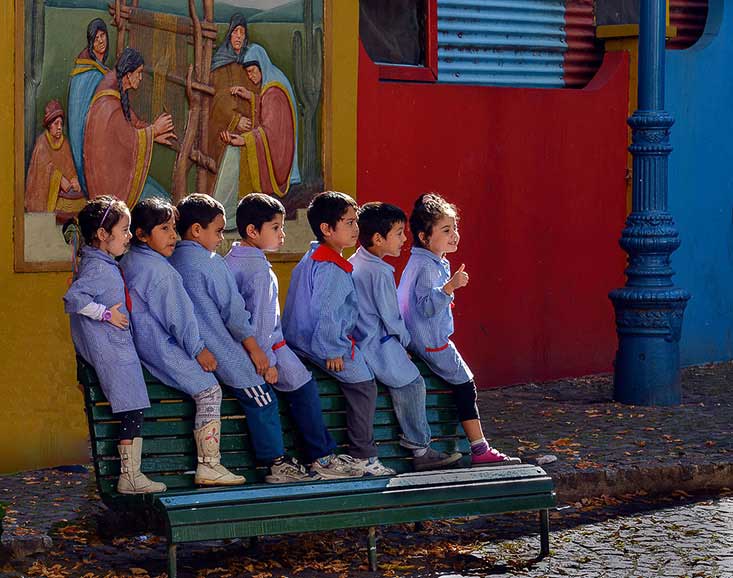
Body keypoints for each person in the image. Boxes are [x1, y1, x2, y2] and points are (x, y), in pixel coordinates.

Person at [169, 194, 312, 483]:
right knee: (262, 398)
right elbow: (235, 315)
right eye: (218, 231)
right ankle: (275, 463)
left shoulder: (172, 259)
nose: (222, 239)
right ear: (197, 230)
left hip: (190, 351)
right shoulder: (211, 263)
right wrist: (256, 351)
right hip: (224, 350)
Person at [225, 193, 362, 479]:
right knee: (304, 389)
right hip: (267, 349)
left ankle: (318, 457)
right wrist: (269, 362)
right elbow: (262, 323)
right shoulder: (260, 270)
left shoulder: (233, 259)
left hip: (254, 347)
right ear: (252, 231)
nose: (282, 235)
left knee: (300, 387)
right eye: (275, 228)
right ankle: (320, 458)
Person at [120, 198, 244, 486]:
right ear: (141, 234)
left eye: (173, 228)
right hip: (161, 346)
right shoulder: (162, 273)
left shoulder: (130, 260)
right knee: (210, 390)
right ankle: (209, 465)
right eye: (164, 229)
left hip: (141, 344)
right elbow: (180, 318)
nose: (173, 236)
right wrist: (198, 349)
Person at [397, 194, 519, 466]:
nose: (454, 235)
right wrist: (449, 288)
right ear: (424, 236)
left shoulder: (429, 261)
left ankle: (477, 447)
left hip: (420, 339)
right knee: (466, 385)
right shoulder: (428, 267)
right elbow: (426, 308)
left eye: (455, 228)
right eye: (446, 230)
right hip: (431, 342)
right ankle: (479, 448)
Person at [282, 191, 394, 477]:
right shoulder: (331, 268)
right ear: (326, 229)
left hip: (301, 337)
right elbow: (326, 312)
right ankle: (362, 455)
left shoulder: (314, 255)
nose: (356, 228)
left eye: (356, 221)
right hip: (321, 341)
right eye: (348, 222)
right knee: (364, 384)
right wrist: (333, 349)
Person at [63, 196, 166, 494]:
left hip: (117, 350)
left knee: (133, 410)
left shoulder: (103, 263)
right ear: (102, 235)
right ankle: (129, 476)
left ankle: (130, 475)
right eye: (124, 230)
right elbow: (73, 299)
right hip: (112, 353)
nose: (129, 236)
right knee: (132, 410)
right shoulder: (97, 268)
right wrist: (106, 314)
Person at [350, 202, 463, 471]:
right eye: (399, 233)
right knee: (413, 383)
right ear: (378, 239)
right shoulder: (380, 273)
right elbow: (392, 319)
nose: (404, 239)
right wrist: (406, 342)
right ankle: (420, 449)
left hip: (364, 337)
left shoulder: (358, 261)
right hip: (377, 342)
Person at [84, 48, 175, 207]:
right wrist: (153, 131)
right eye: (139, 73)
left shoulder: (117, 91)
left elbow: (134, 123)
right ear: (128, 74)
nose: (140, 78)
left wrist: (153, 134)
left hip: (118, 172)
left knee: (163, 198)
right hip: (111, 183)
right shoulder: (109, 104)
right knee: (164, 202)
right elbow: (127, 138)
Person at [217, 46, 298, 203]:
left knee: (234, 155)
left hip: (279, 159)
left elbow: (270, 132)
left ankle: (230, 206)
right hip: (279, 149)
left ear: (262, 66)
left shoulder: (273, 92)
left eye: (253, 70)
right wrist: (251, 97)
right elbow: (268, 111)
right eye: (248, 72)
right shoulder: (272, 84)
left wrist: (245, 139)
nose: (250, 76)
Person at [67, 18, 110, 195]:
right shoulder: (89, 73)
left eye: (103, 35)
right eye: (96, 38)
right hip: (85, 145)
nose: (100, 41)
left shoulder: (99, 70)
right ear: (91, 43)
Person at [25, 100, 85, 223]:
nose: (59, 127)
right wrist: (59, 179)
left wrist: (74, 179)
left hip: (64, 193)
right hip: (47, 196)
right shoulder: (42, 144)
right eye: (56, 123)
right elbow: (43, 172)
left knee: (81, 201)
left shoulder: (65, 143)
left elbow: (70, 168)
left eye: (61, 124)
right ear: (49, 125)